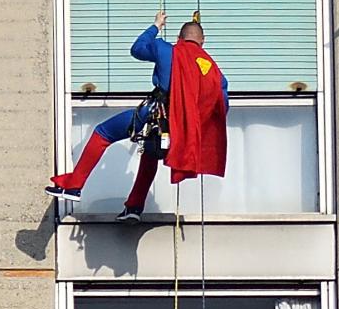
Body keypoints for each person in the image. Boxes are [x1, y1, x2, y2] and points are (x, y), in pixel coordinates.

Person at [45, 14, 229, 221]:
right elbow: (221, 104)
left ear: (179, 37)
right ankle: (134, 207)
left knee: (103, 133)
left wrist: (156, 26)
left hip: (154, 113)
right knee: (151, 152)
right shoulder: (212, 69)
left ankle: (73, 186)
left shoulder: (166, 50)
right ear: (202, 41)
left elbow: (137, 49)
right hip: (182, 129)